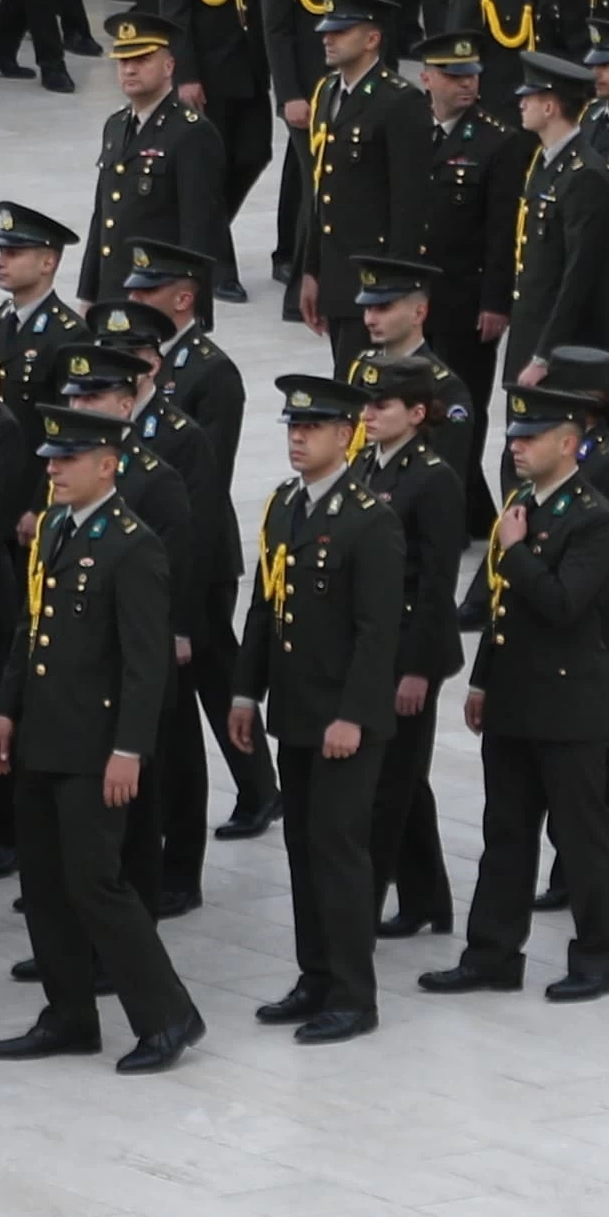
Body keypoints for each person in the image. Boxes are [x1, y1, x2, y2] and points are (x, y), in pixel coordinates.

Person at [0, 412, 199, 1071]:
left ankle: (167, 1017)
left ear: (107, 465)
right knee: (46, 885)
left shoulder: (132, 546)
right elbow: (31, 627)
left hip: (96, 747)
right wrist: (5, 710)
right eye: (49, 459)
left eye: (67, 460)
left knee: (96, 884)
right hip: (44, 736)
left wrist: (129, 750)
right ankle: (69, 1013)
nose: (52, 469)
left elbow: (145, 662)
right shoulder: (53, 527)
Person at [439, 348, 609, 1003]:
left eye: (530, 438)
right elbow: (502, 606)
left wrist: (517, 551)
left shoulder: (593, 516)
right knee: (505, 834)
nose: (515, 448)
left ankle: (599, 958)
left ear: (570, 443)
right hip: (516, 698)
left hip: (572, 703)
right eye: (513, 436)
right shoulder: (522, 503)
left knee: (582, 840)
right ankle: (491, 953)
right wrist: (482, 680)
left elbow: (560, 604)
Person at [230, 371, 394, 1039]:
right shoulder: (286, 507)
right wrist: (246, 690)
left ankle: (354, 993)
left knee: (338, 850)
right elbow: (266, 606)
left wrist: (352, 715)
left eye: (313, 428)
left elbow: (378, 630)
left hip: (342, 720)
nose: (299, 438)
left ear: (347, 434)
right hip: (296, 712)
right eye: (293, 427)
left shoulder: (369, 518)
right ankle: (316, 973)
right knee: (302, 847)